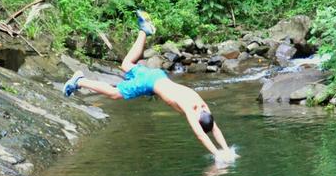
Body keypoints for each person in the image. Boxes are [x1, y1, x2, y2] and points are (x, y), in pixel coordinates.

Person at [64, 12, 237, 163]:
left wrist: (227, 150)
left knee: (126, 64)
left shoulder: (202, 106)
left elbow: (215, 128)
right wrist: (217, 154)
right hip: (149, 83)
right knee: (115, 93)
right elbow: (201, 134)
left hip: (157, 76)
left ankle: (144, 30)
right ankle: (79, 81)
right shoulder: (191, 109)